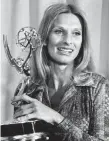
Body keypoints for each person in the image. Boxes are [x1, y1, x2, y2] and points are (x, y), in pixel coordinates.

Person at [11, 3, 109, 141]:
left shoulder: (99, 87)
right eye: (59, 31)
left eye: (76, 33)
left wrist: (56, 118)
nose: (68, 41)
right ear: (44, 39)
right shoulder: (28, 89)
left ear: (82, 42)